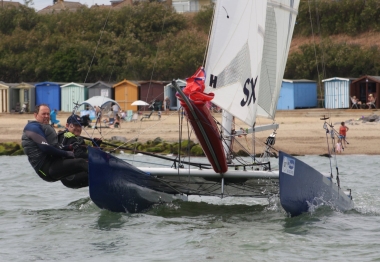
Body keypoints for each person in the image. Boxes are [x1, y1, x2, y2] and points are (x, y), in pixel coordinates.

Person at [22, 104, 89, 189]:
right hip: (46, 169)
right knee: (81, 163)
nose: (46, 116)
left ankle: (102, 183)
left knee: (85, 164)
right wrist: (66, 153)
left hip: (53, 165)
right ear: (36, 115)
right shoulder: (32, 128)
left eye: (48, 114)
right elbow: (45, 148)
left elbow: (54, 147)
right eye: (43, 114)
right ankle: (102, 175)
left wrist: (68, 147)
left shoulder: (44, 128)